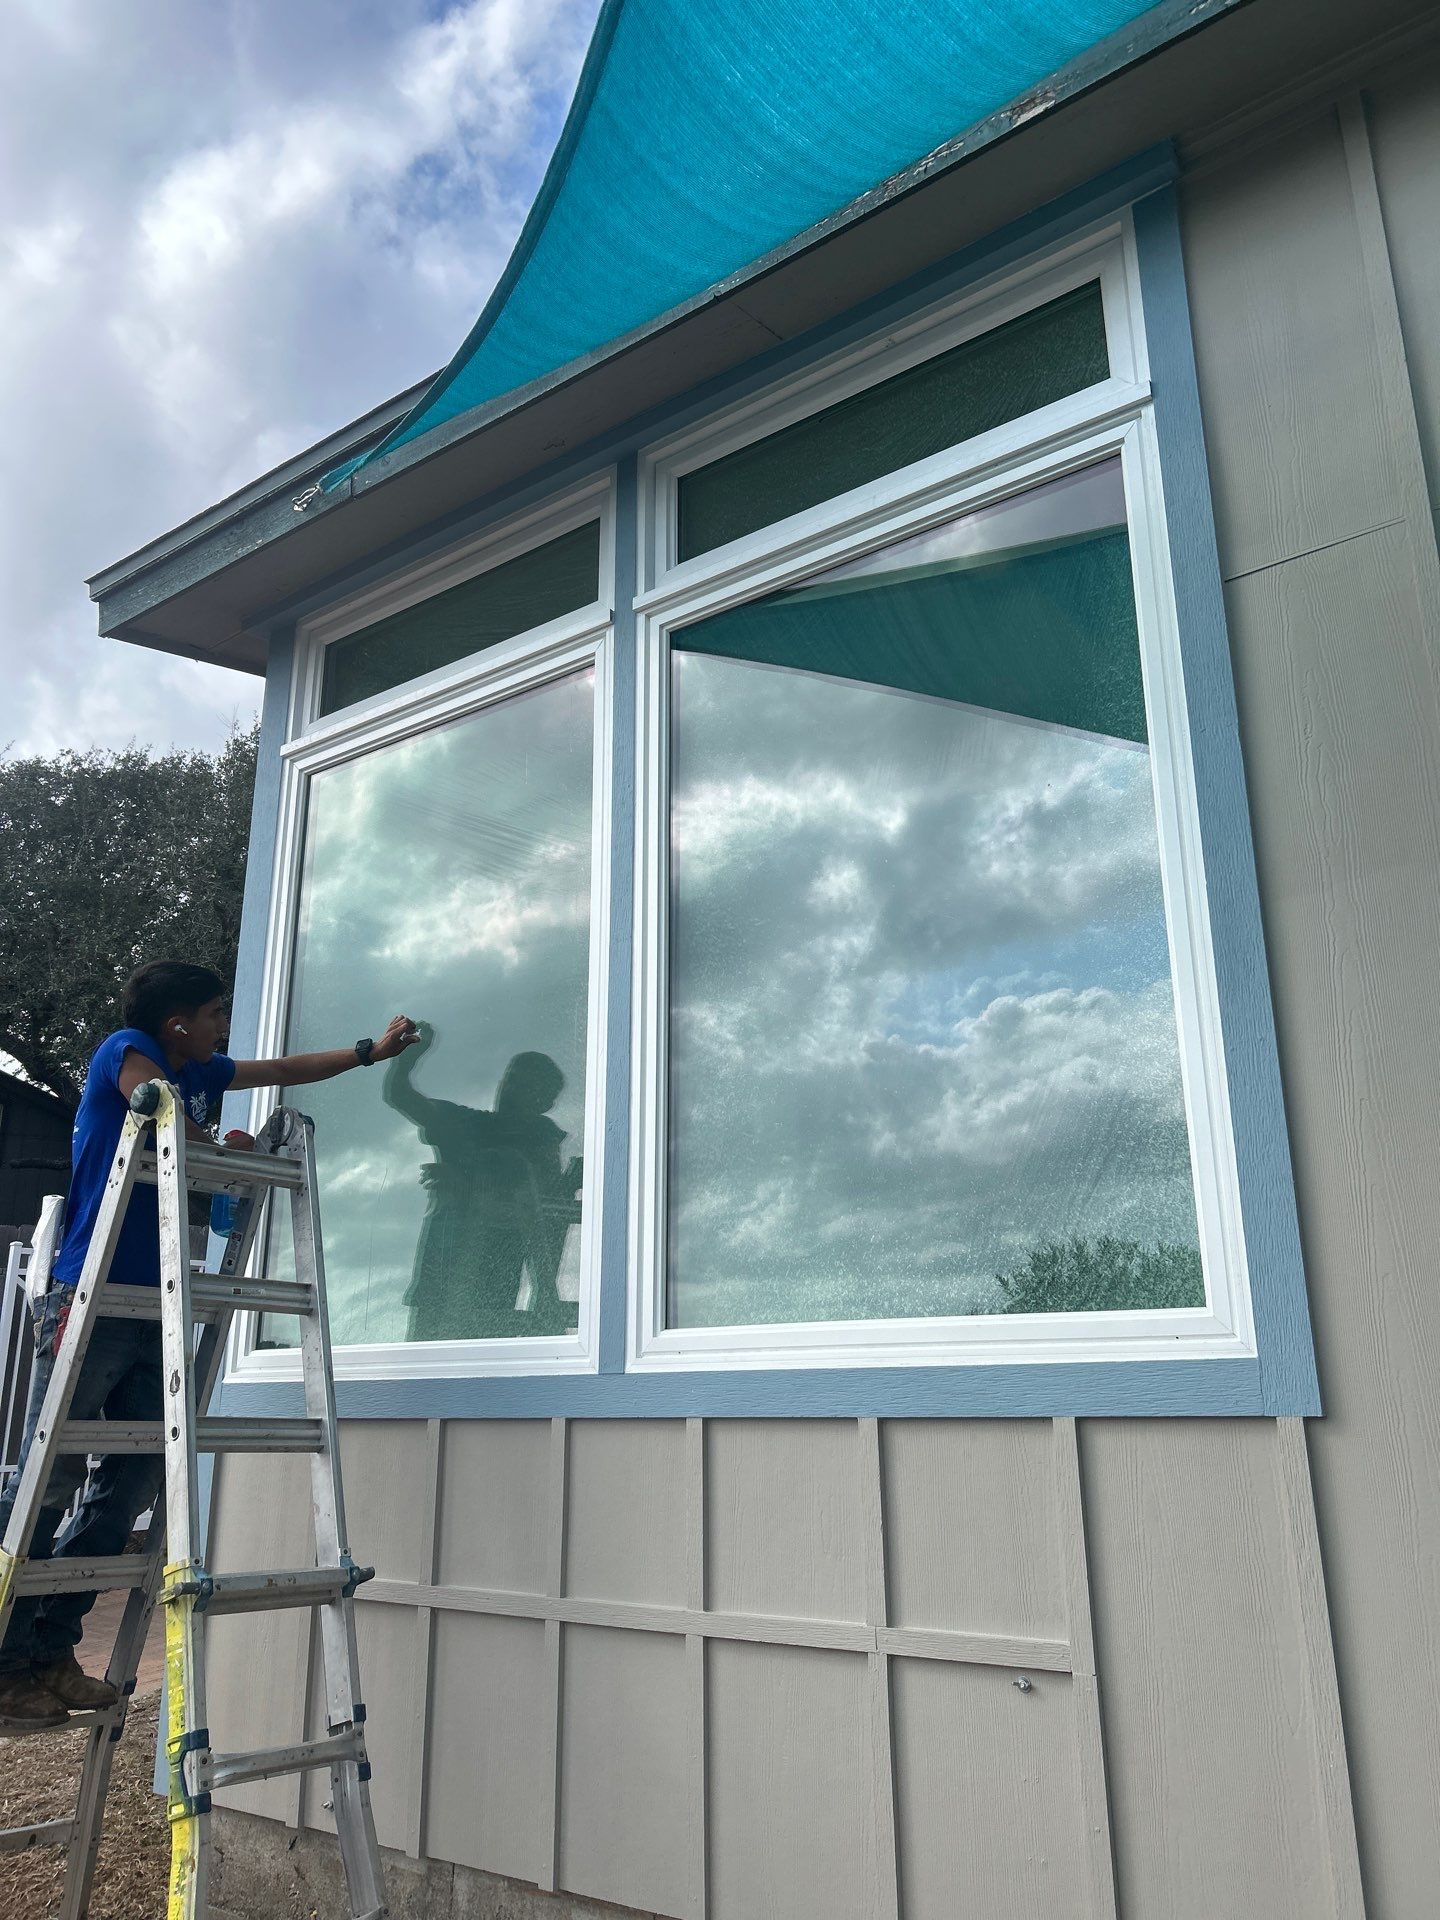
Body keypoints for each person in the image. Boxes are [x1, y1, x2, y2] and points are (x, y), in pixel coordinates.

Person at [0, 960, 420, 1732]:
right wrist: (214, 1148)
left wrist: (368, 1053)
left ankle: (50, 1654)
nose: (226, 1025)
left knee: (126, 1486)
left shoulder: (207, 1069)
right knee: (47, 1481)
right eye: (216, 1012)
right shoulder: (130, 1050)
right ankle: (2, 1661)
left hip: (152, 1303)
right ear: (177, 1025)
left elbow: (287, 1069)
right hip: (88, 1299)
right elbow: (145, 1102)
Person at [382, 1027, 581, 1342]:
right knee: (426, 1368)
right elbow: (400, 1095)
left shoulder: (539, 1137)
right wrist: (407, 1056)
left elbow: (541, 1211)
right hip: (443, 1274)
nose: (511, 1088)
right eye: (511, 1078)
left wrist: (572, 1184)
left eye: (527, 1085)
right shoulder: (467, 1124)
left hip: (491, 1284)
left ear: (544, 1101)